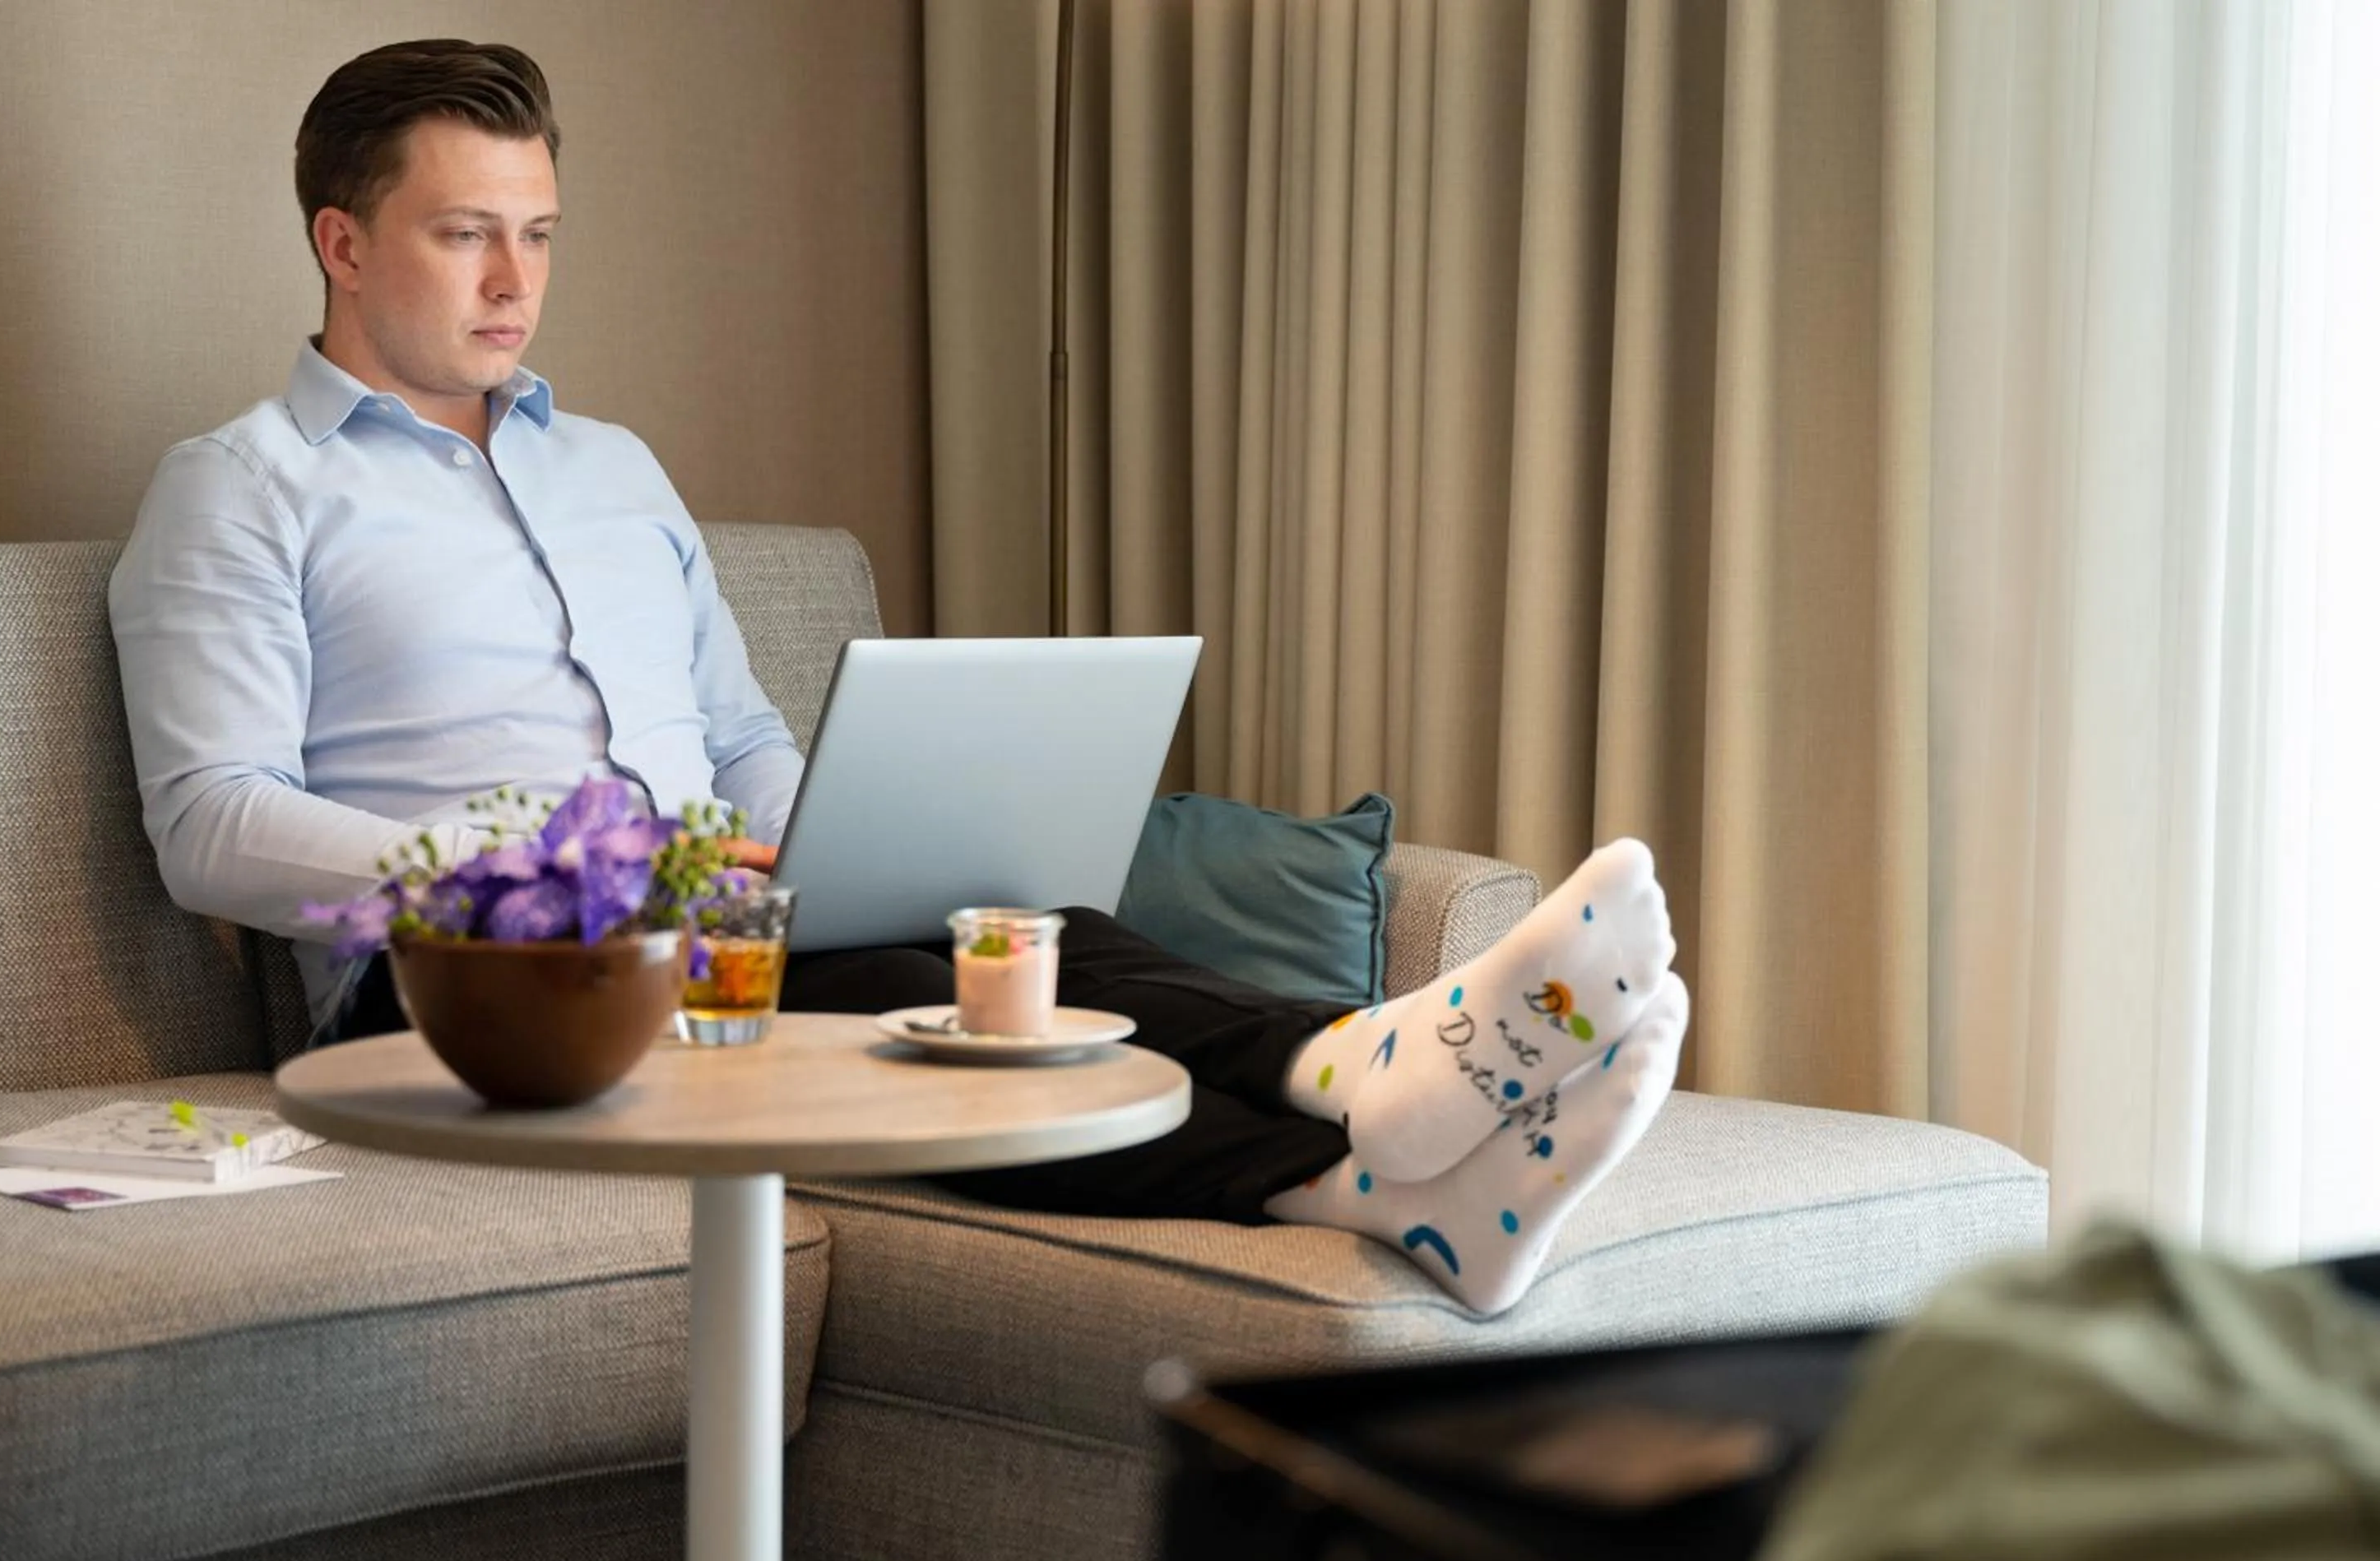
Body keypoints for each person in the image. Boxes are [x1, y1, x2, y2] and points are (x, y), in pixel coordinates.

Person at [109, 39, 1689, 1316]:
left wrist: (828, 856)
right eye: (465, 235)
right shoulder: (242, 488)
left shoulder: (615, 469)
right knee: (890, 1004)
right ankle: (1367, 1073)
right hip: (458, 986)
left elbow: (735, 735)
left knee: (1005, 941)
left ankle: (1371, 1165)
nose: (515, 279)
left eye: (537, 234)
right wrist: (556, 871)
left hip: (708, 936)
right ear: (342, 241)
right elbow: (211, 827)